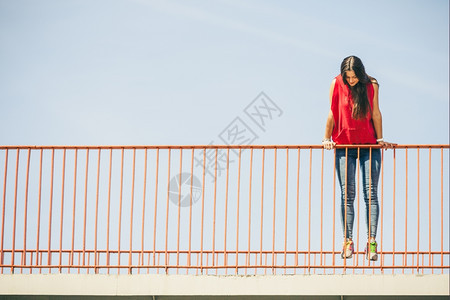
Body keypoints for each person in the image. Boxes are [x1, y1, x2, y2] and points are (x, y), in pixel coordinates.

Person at [322, 56, 394, 261]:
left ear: (361, 74)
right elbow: (332, 113)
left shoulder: (371, 85)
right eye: (348, 77)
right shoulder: (336, 83)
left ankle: (371, 242)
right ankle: (348, 241)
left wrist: (380, 139)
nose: (351, 80)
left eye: (354, 77)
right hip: (344, 147)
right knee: (347, 194)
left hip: (369, 147)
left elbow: (376, 113)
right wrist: (326, 139)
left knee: (370, 194)